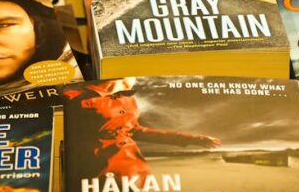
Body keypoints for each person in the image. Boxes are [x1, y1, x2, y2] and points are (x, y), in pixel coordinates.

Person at [62, 78, 221, 185]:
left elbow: (136, 130)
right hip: (93, 167)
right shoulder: (73, 97)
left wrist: (192, 139)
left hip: (128, 167)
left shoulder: (127, 98)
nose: (135, 79)